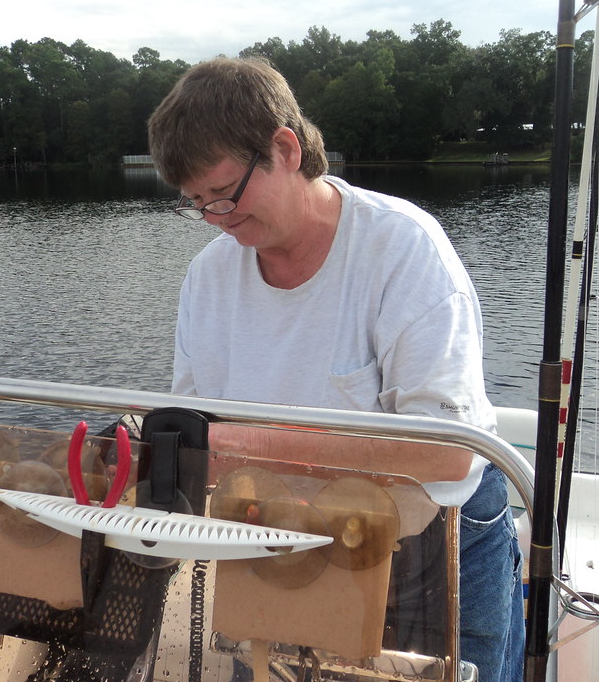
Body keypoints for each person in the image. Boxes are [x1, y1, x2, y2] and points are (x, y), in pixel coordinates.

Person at [148, 56, 523, 682]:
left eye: (225, 191)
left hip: (431, 545)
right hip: (278, 535)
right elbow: (197, 427)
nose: (217, 217)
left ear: (285, 148)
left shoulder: (402, 248)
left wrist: (241, 442)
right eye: (198, 204)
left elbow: (447, 453)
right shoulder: (209, 276)